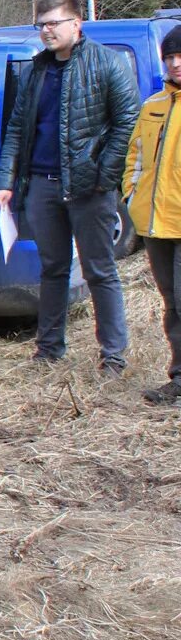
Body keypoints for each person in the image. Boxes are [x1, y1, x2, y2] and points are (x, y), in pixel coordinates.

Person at [0, 0, 141, 375]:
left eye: (53, 23)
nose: (46, 30)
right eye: (41, 23)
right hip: (42, 185)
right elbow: (16, 129)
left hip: (90, 188)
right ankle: (49, 350)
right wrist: (6, 180)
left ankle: (113, 357)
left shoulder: (107, 63)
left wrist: (103, 175)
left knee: (99, 270)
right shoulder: (35, 71)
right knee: (52, 269)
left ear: (77, 24)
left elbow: (128, 122)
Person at [124, 26, 181, 405]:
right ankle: (178, 378)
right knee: (172, 304)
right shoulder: (153, 106)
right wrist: (131, 196)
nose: (175, 63)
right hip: (157, 224)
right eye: (170, 57)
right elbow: (135, 159)